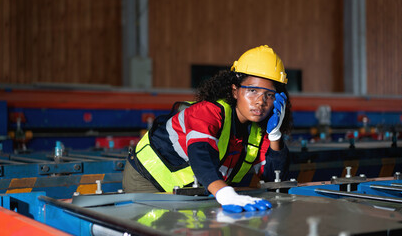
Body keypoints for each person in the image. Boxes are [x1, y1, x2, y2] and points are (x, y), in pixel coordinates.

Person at [123, 45, 293, 213]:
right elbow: (201, 154)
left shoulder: (258, 132)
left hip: (193, 189)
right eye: (253, 91)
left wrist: (275, 135)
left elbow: (274, 179)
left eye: (269, 95)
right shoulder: (208, 112)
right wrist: (225, 193)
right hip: (148, 179)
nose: (260, 101)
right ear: (235, 91)